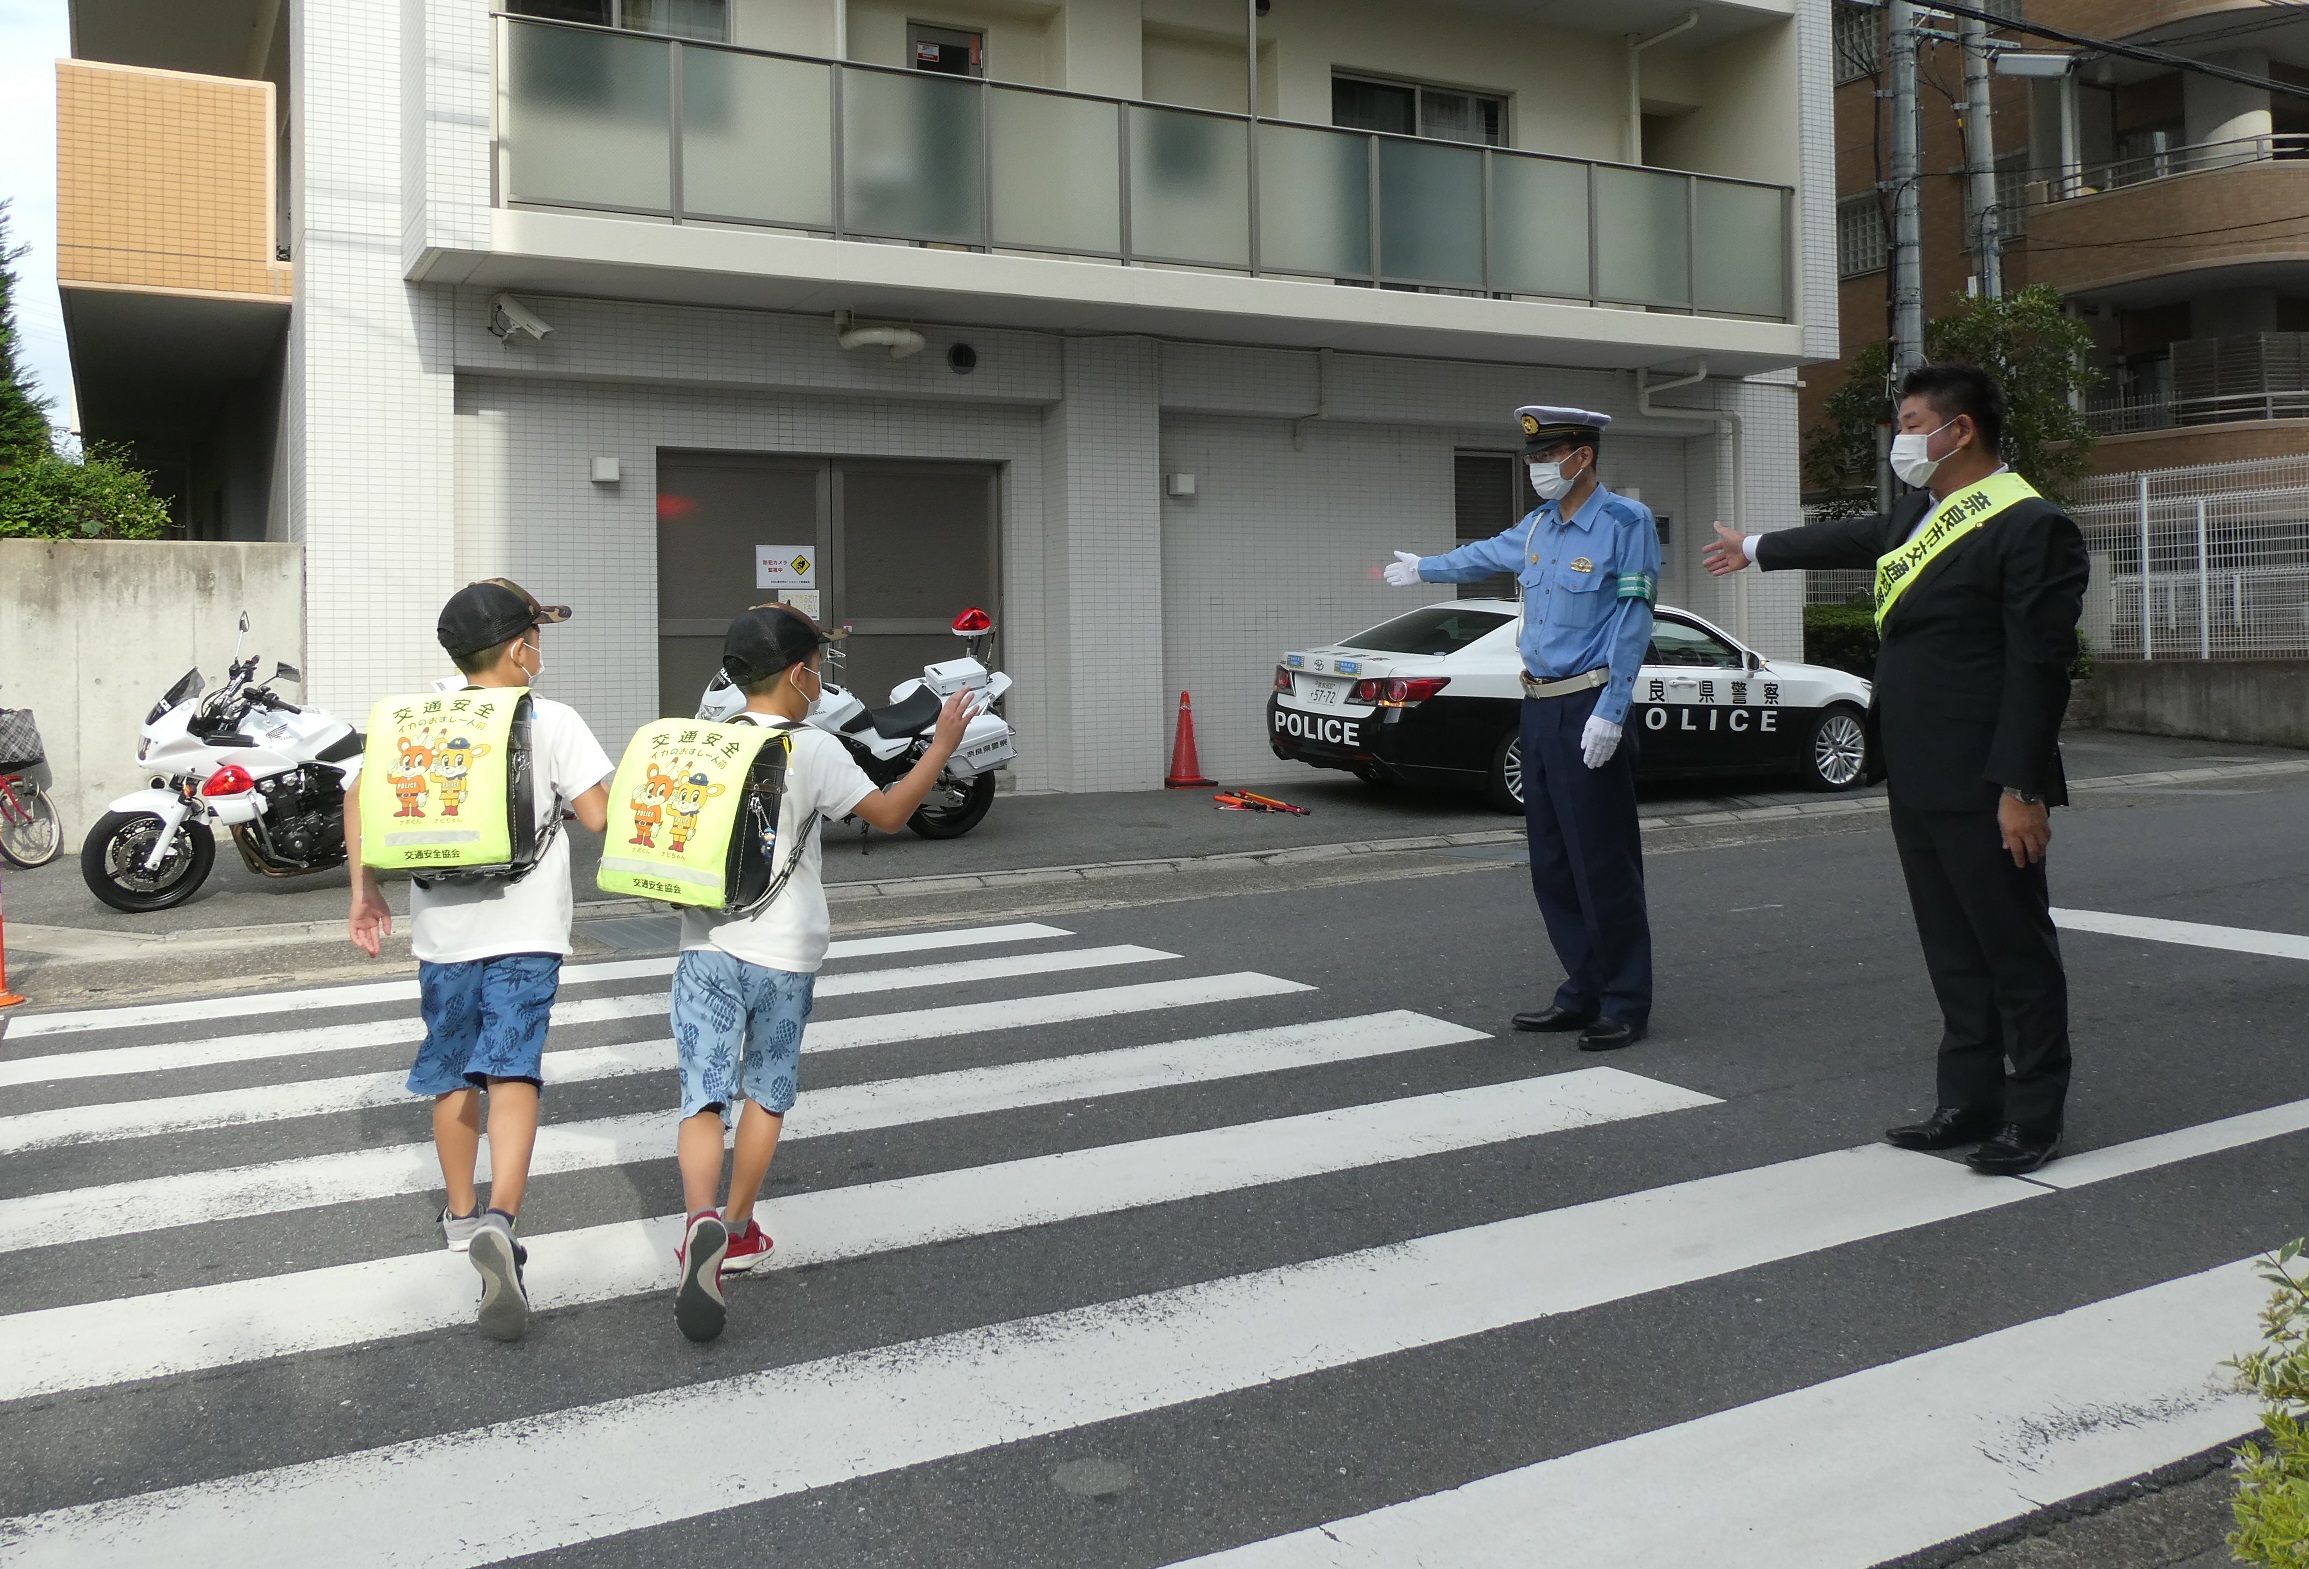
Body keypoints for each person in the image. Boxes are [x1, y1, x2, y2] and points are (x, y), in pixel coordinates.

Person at [1703, 362, 2089, 1176]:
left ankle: (2033, 1114)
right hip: (1915, 772)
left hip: (1987, 780)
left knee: (2012, 947)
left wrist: (2021, 787)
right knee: (1950, 945)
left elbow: (2038, 667)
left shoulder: (2029, 525)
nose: (1901, 438)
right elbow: (1851, 536)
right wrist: (1756, 548)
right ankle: (1967, 1100)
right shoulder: (1922, 514)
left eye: (1913, 421)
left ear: (1960, 430)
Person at [670, 604, 979, 1343]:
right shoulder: (814, 748)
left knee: (701, 1094)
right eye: (818, 668)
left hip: (704, 944)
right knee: (766, 1087)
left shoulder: (702, 742)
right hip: (785, 949)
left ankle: (697, 1222)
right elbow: (892, 814)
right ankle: (738, 1226)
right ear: (799, 674)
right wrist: (939, 746)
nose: (821, 681)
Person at [345, 579, 614, 1339]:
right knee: (514, 1068)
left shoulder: (416, 716)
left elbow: (362, 796)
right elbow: (596, 814)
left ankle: (461, 1215)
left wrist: (363, 891)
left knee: (452, 1068)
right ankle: (503, 1215)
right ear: (514, 646)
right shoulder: (551, 718)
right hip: (526, 929)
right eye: (536, 635)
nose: (541, 648)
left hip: (442, 936)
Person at [1382, 406, 1661, 1050]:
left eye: (1548, 454)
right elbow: (1485, 555)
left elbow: (1633, 620)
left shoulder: (1625, 522)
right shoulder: (1538, 527)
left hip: (1588, 706)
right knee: (1553, 862)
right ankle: (1581, 989)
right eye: (1534, 456)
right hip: (1537, 706)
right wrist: (1425, 567)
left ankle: (1625, 999)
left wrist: (1612, 710)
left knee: (1603, 862)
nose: (1537, 467)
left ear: (1582, 457)